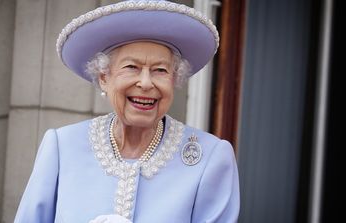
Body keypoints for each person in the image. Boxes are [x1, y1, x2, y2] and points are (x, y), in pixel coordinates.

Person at [14, 0, 240, 222]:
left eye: (160, 70)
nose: (146, 83)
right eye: (131, 67)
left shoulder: (210, 158)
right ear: (104, 78)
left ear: (174, 79)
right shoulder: (62, 147)